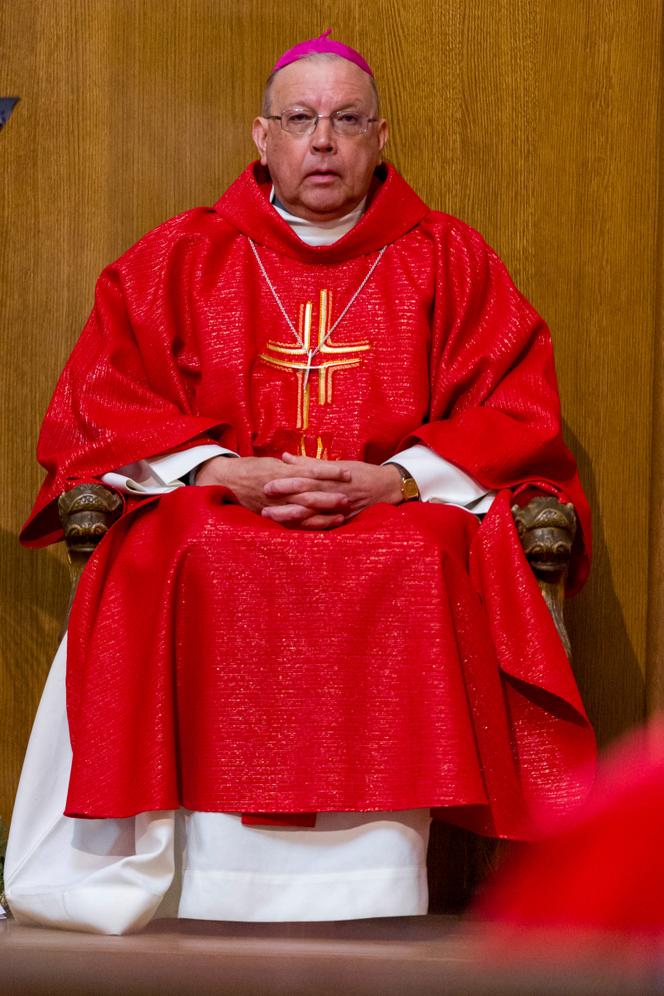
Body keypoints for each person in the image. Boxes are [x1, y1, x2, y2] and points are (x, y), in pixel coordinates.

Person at [5, 31, 595, 935]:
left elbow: (518, 407)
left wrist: (397, 480)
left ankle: (376, 879)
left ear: (380, 137)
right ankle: (204, 872)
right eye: (301, 119)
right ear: (262, 137)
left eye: (346, 120)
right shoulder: (182, 257)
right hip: (226, 508)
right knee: (187, 543)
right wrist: (222, 470)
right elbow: (102, 399)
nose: (323, 141)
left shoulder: (449, 258)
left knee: (427, 549)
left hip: (394, 517)